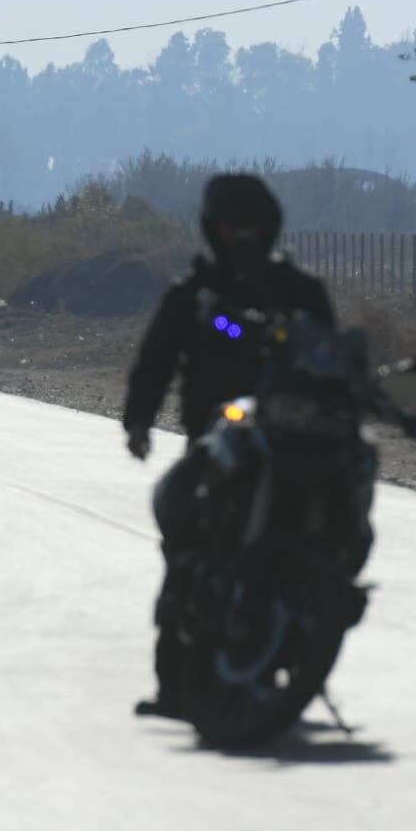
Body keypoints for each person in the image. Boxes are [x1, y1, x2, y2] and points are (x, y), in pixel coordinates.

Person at [122, 173, 336, 719]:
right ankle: (175, 687)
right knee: (185, 540)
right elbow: (156, 359)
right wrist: (139, 421)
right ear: (214, 229)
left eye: (252, 226)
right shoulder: (196, 292)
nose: (242, 236)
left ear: (269, 228)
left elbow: (332, 356)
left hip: (290, 442)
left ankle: (312, 623)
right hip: (217, 443)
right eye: (231, 226)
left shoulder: (299, 289)